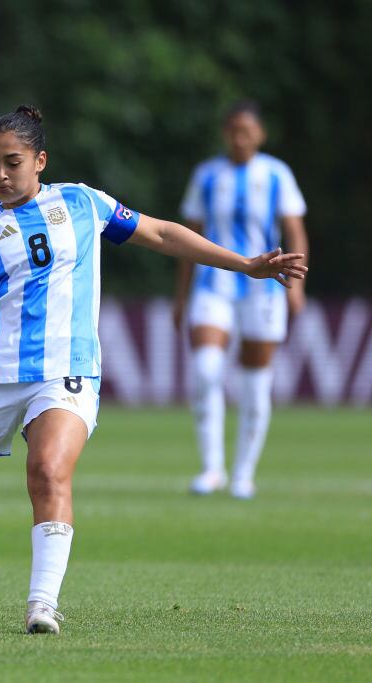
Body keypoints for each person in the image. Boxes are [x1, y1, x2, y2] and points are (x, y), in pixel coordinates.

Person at [0, 105, 305, 635]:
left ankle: (41, 605)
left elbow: (164, 234)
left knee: (49, 471)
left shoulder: (83, 203)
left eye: (13, 162)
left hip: (66, 370)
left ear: (40, 161)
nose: (1, 175)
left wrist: (244, 264)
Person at [173, 100, 309, 499]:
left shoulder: (276, 174)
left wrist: (298, 286)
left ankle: (243, 474)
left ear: (260, 134)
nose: (239, 138)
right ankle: (212, 468)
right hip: (212, 285)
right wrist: (180, 296)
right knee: (205, 369)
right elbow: (189, 236)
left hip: (264, 288)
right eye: (232, 130)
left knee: (254, 383)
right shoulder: (207, 175)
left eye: (246, 131)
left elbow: (295, 230)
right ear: (224, 133)